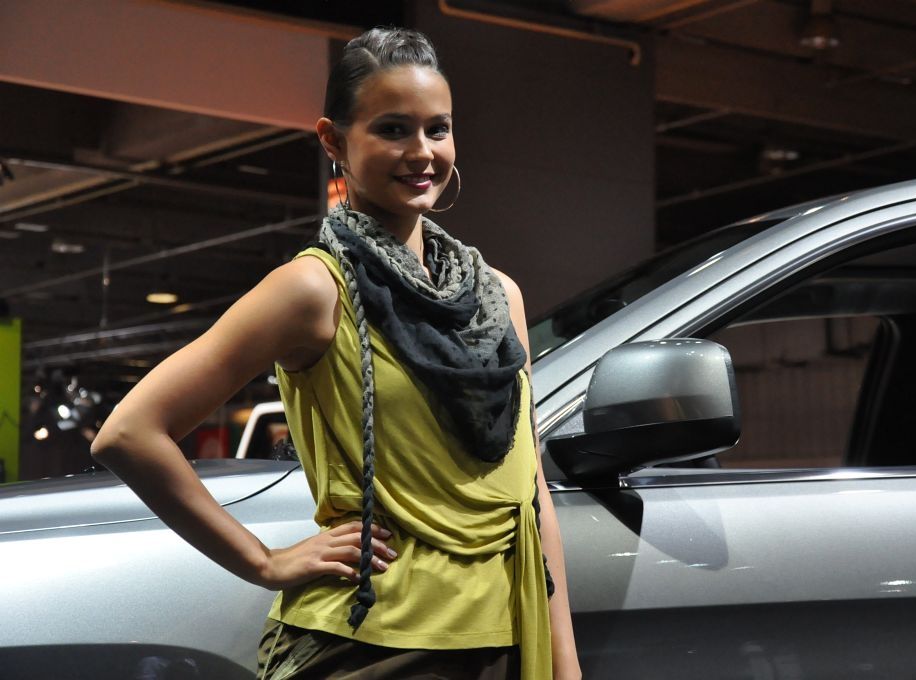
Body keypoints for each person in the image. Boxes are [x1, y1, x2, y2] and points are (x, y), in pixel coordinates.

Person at [91, 26, 581, 680]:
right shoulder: (313, 290)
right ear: (333, 140)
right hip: (372, 644)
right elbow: (129, 433)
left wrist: (563, 656)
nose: (422, 152)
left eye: (437, 129)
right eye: (393, 129)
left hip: (504, 637)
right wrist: (264, 562)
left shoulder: (498, 297)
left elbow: (528, 491)